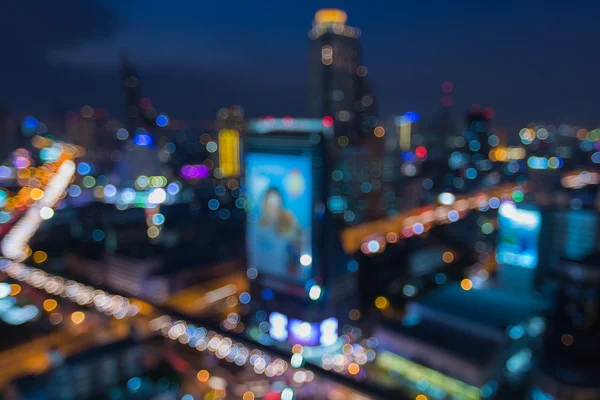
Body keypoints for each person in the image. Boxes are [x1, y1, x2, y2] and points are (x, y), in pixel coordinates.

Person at [255, 187, 301, 277]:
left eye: (276, 206)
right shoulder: (256, 228)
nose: (272, 210)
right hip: (264, 277)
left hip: (284, 278)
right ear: (263, 205)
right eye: (269, 205)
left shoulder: (289, 224)